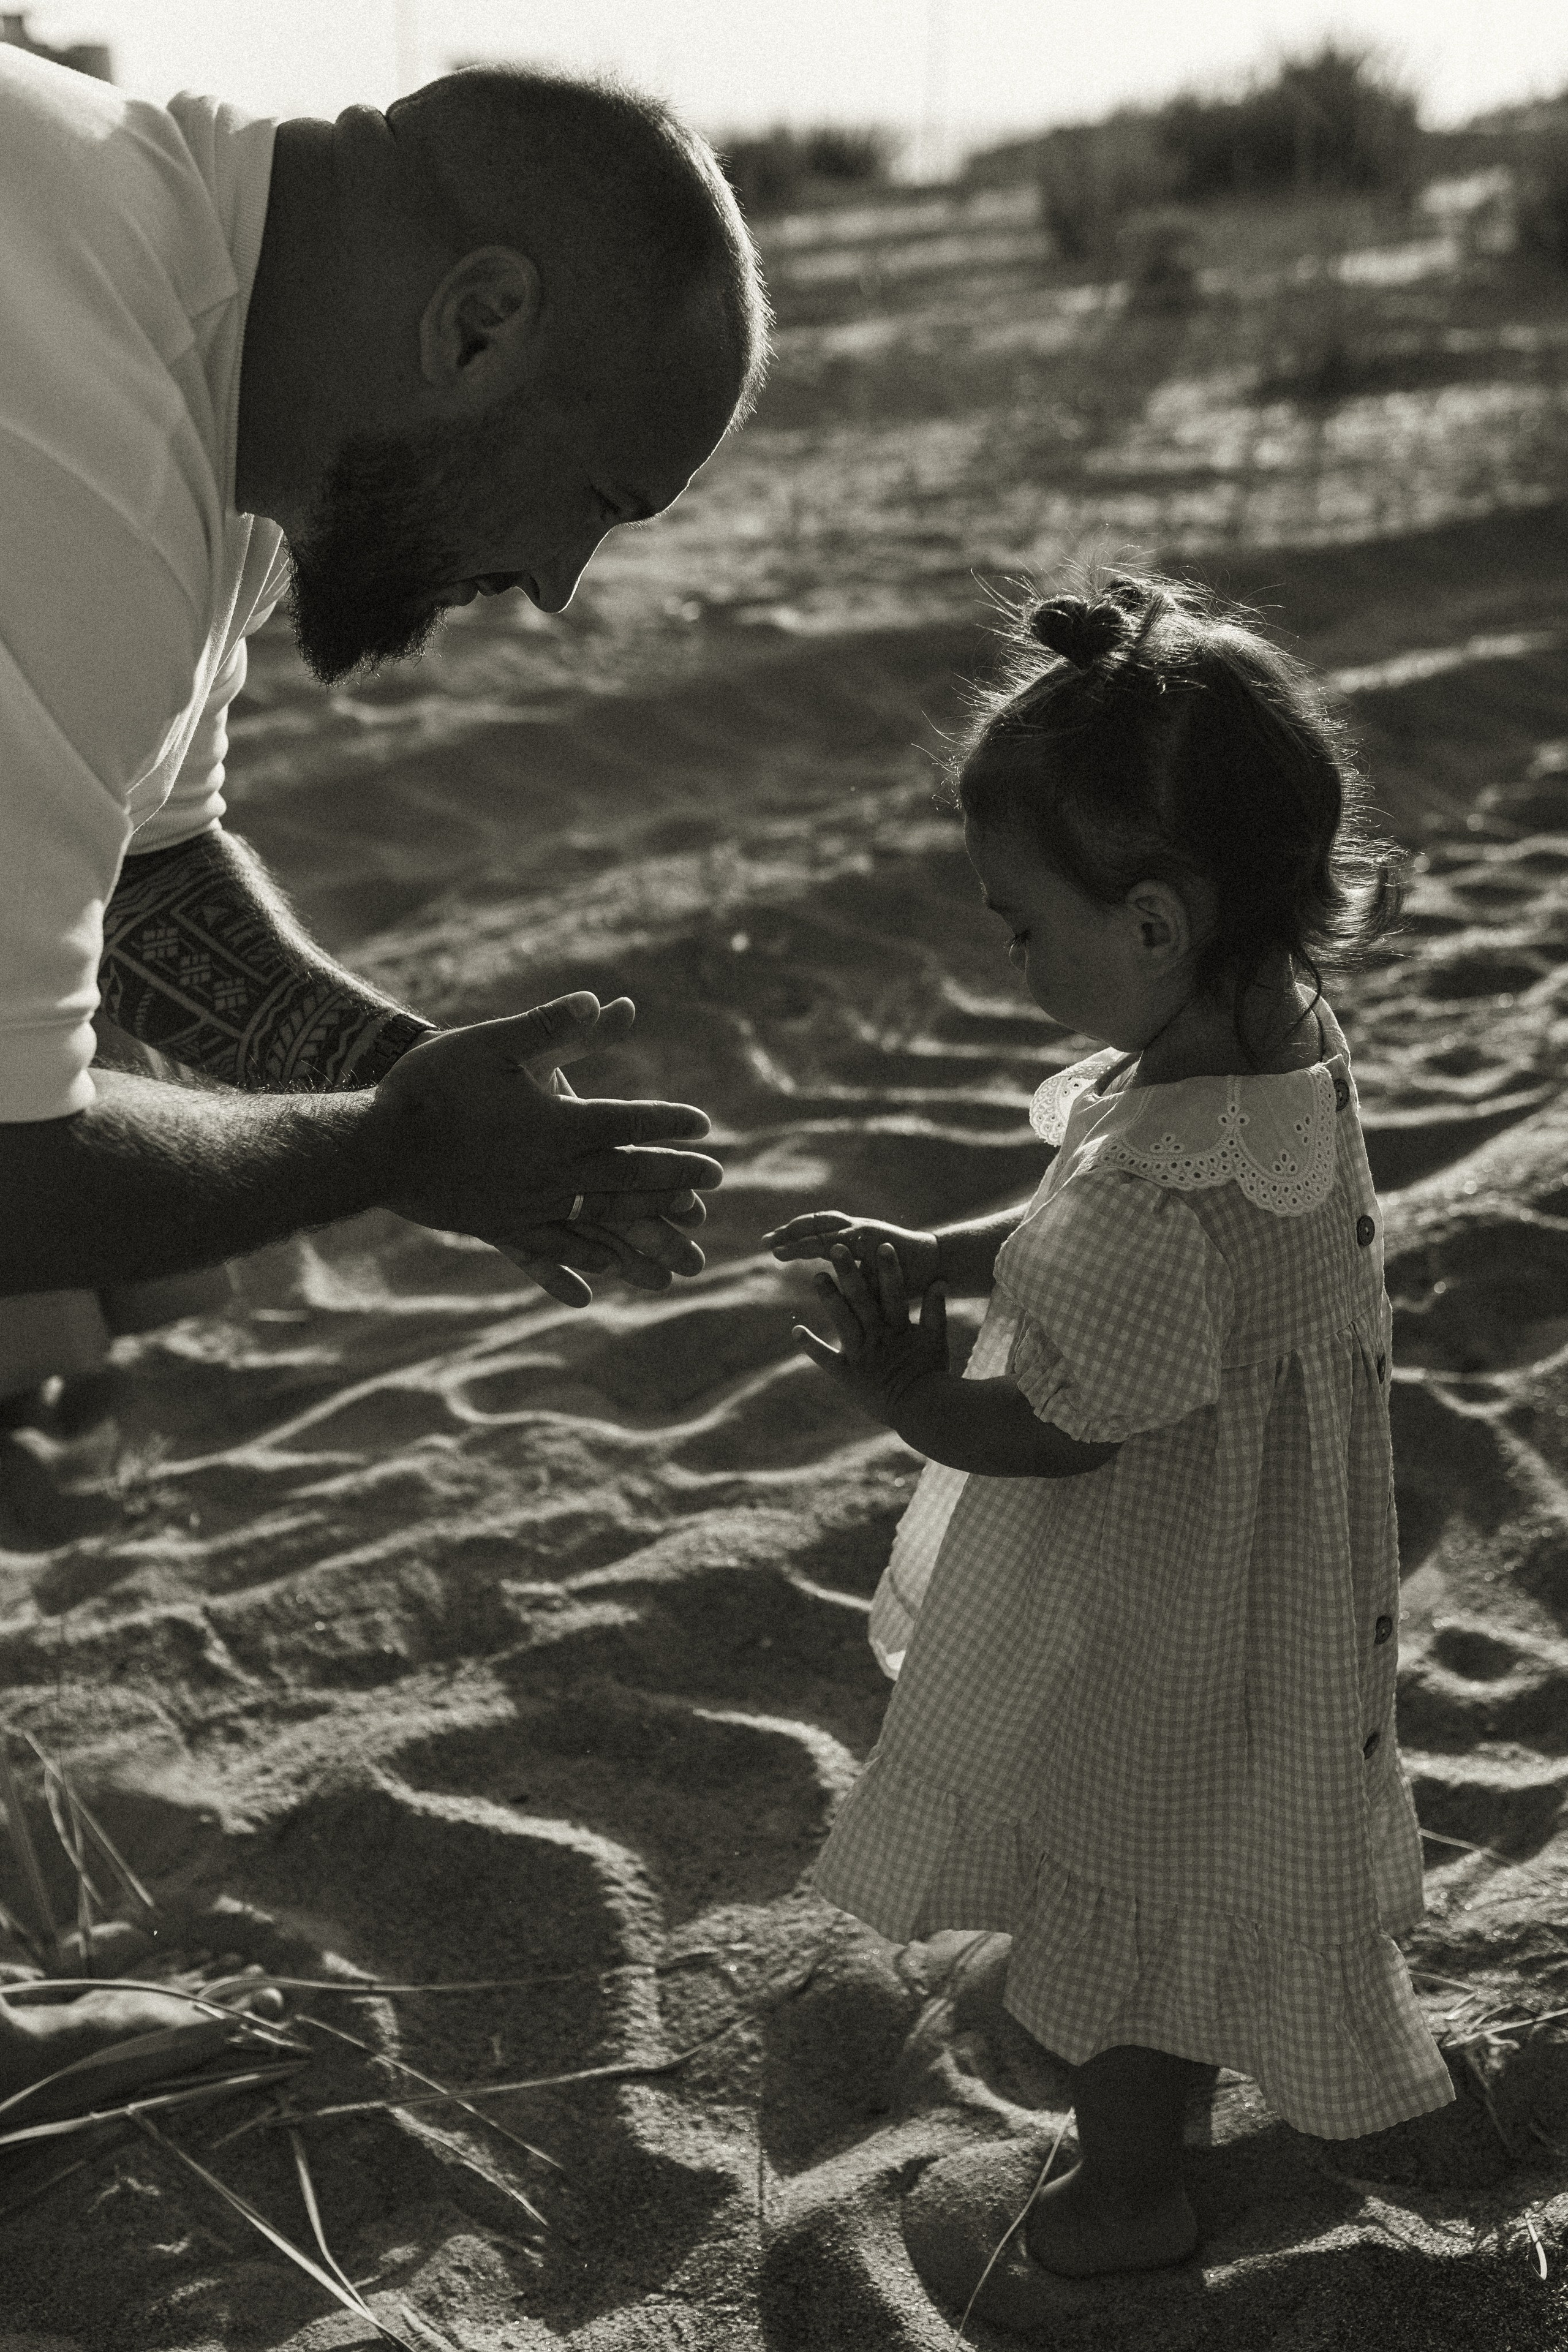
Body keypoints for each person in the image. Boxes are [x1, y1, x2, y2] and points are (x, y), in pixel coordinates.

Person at [0, 49, 767, 2098]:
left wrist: (420, 1080)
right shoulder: (77, 454)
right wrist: (383, 1153)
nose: (558, 586)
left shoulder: (188, 325)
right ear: (481, 322)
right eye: (598, 498)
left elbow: (143, 872)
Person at [766, 572, 1453, 2301]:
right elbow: (1132, 1253)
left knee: (1142, 1893)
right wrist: (960, 1253)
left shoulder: (1160, 1181)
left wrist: (909, 1396)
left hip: (1172, 1605)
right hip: (1277, 1585)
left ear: (1151, 926)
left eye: (1020, 924)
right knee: (1217, 1857)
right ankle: (1165, 2135)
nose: (1008, 954)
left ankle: (1134, 2194)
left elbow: (1068, 1423)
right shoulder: (1276, 1051)